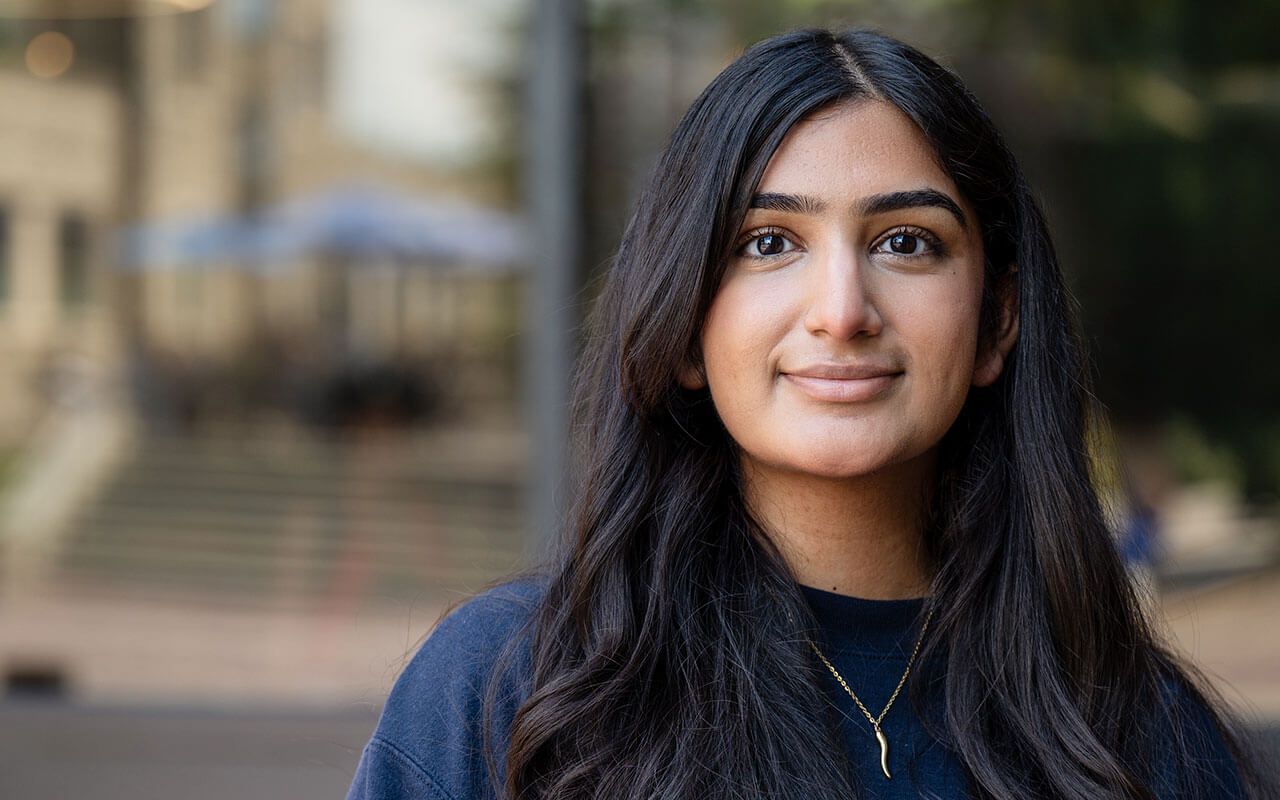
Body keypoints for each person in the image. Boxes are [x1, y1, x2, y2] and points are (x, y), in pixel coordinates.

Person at [347, 28, 1272, 800]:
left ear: (997, 321)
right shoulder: (507, 691)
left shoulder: (1140, 735)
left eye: (907, 242)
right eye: (768, 241)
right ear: (682, 327)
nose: (840, 308)